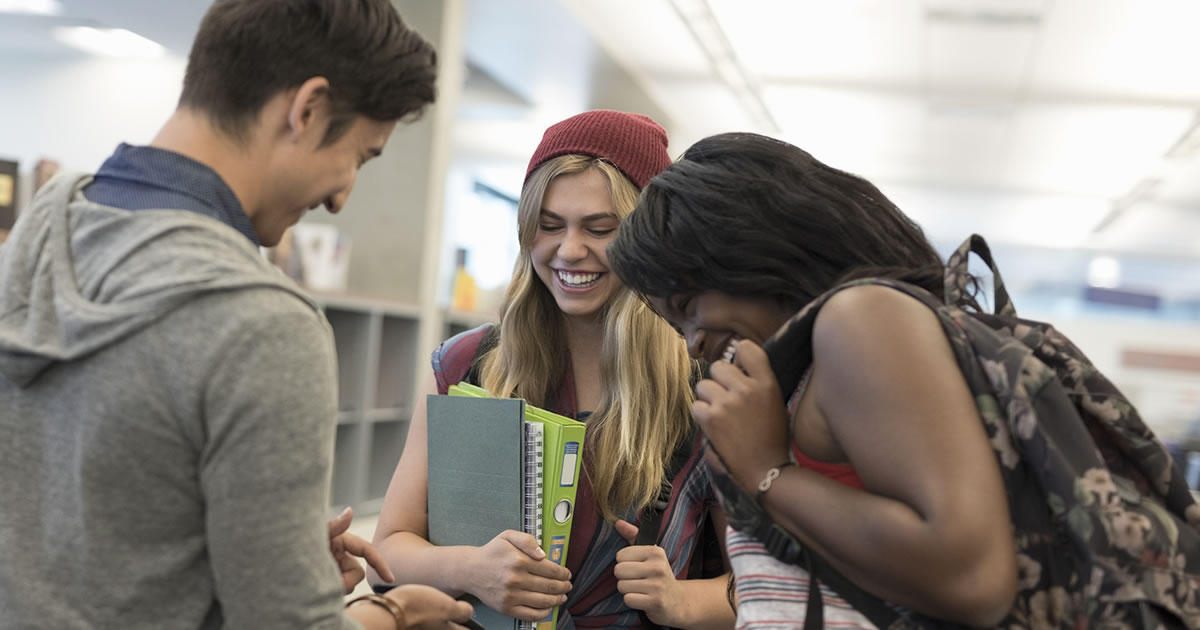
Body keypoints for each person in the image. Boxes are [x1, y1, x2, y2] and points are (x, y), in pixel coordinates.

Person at [0, 1, 473, 628]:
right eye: (359, 157)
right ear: (307, 109)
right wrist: (395, 612)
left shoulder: (37, 231)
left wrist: (267, 558)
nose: (339, 197)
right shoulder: (265, 325)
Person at [606, 132, 1020, 628]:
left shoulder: (859, 319)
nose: (692, 343)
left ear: (748, 252)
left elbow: (974, 579)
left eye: (689, 307)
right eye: (676, 326)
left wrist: (767, 471)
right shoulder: (810, 370)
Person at [373, 110, 734, 629]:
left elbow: (763, 586)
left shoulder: (706, 387)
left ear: (649, 236)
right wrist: (472, 569)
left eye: (601, 228)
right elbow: (387, 553)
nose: (569, 250)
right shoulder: (467, 366)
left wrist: (679, 600)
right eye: (548, 225)